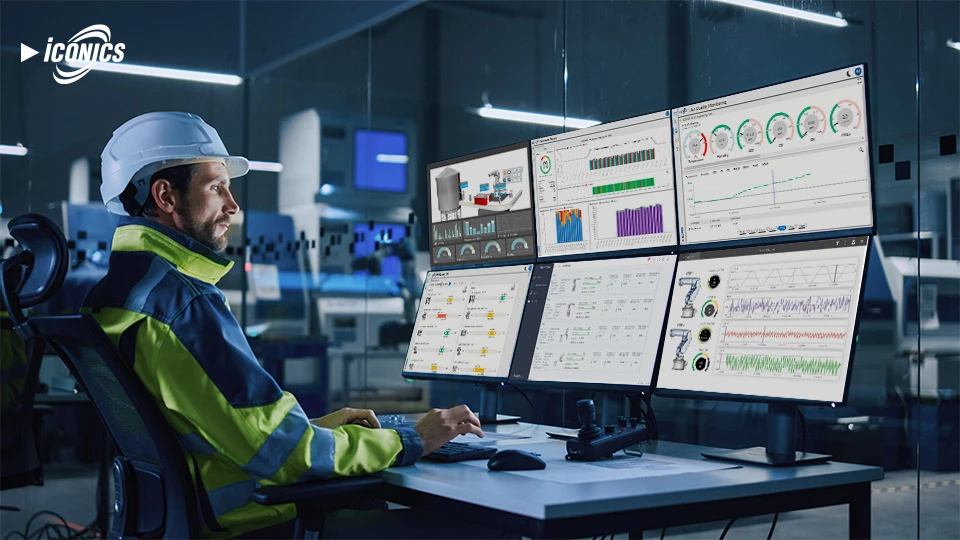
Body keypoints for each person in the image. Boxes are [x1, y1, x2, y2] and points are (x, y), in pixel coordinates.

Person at [87, 112, 484, 537]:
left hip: (178, 517)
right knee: (469, 524)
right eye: (216, 186)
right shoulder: (182, 305)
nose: (233, 204)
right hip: (256, 521)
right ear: (165, 196)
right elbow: (282, 454)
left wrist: (318, 427)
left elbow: (207, 428)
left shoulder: (113, 297)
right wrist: (411, 439)